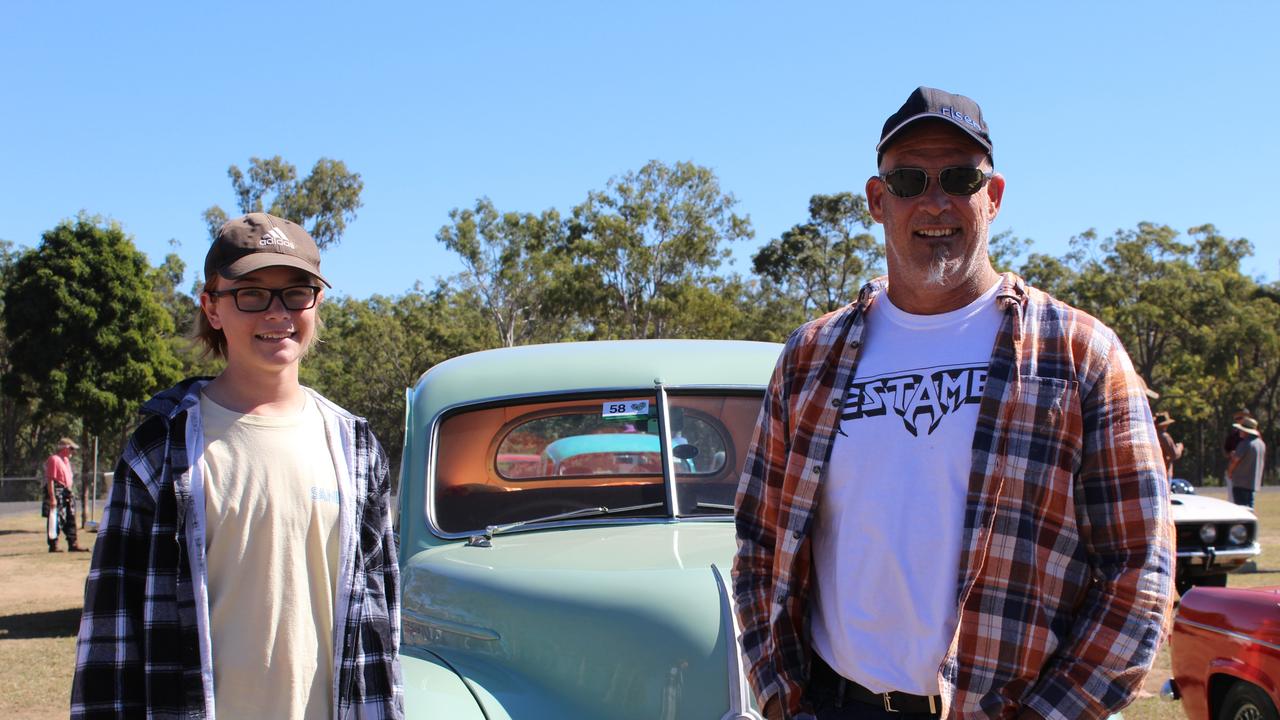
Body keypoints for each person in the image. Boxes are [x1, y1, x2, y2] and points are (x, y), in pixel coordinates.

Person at [733, 87, 1174, 720]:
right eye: (909, 179)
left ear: (991, 197)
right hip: (833, 703)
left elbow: (1142, 572)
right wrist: (779, 698)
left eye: (959, 177)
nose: (934, 201)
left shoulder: (1079, 355)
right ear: (878, 201)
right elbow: (758, 541)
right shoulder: (811, 357)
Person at [72, 213, 402, 719]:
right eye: (251, 294)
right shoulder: (161, 447)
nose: (277, 313)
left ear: (317, 303)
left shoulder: (354, 447)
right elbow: (110, 631)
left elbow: (381, 624)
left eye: (296, 291)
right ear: (212, 306)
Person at [45, 437, 88, 552]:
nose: (73, 452)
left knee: (70, 518)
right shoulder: (54, 459)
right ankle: (54, 545)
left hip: (67, 492)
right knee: (56, 519)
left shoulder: (66, 461)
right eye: (71, 449)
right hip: (57, 491)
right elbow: (50, 480)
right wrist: (52, 497)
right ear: (65, 449)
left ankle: (73, 543)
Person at [1226, 416, 1266, 508]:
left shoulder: (1245, 443)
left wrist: (1230, 472)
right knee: (1250, 508)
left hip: (1241, 482)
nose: (1240, 431)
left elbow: (1235, 460)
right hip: (1252, 482)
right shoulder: (1261, 444)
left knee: (1241, 510)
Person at [1155, 412, 1183, 480]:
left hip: (1156, 470)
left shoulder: (1153, 434)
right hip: (1165, 470)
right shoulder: (1164, 436)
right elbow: (1174, 454)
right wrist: (1180, 447)